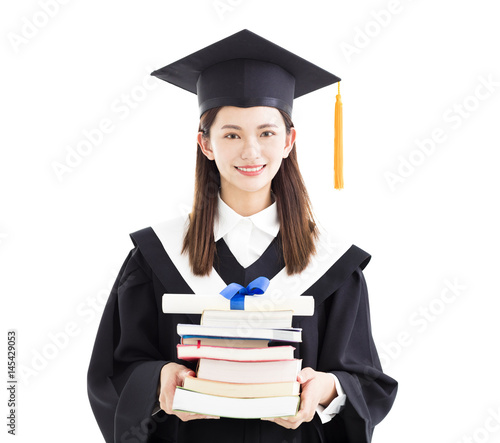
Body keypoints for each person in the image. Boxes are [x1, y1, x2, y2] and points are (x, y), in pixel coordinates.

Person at [87, 29, 397, 443]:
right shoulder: (155, 255)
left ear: (289, 141)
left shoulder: (333, 263)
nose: (250, 151)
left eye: (267, 133)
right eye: (231, 134)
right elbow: (113, 371)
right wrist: (159, 376)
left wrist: (329, 389)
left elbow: (366, 383)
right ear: (206, 144)